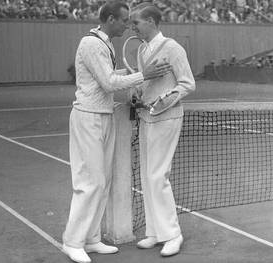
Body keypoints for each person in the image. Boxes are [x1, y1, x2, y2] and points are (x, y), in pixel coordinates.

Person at [62, 2, 172, 263]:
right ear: (110, 19)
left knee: (103, 181)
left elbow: (109, 76)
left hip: (105, 115)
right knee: (89, 182)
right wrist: (143, 75)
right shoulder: (90, 43)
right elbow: (109, 82)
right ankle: (72, 241)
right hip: (87, 118)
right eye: (124, 21)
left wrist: (134, 74)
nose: (127, 25)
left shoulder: (106, 43)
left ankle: (90, 239)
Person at [129, 2, 195, 257]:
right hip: (147, 118)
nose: (132, 27)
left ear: (152, 23)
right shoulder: (142, 50)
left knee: (158, 176)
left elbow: (188, 84)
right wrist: (138, 94)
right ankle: (154, 233)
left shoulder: (173, 48)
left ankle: (172, 234)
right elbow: (145, 83)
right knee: (147, 175)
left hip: (167, 118)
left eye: (136, 22)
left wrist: (164, 99)